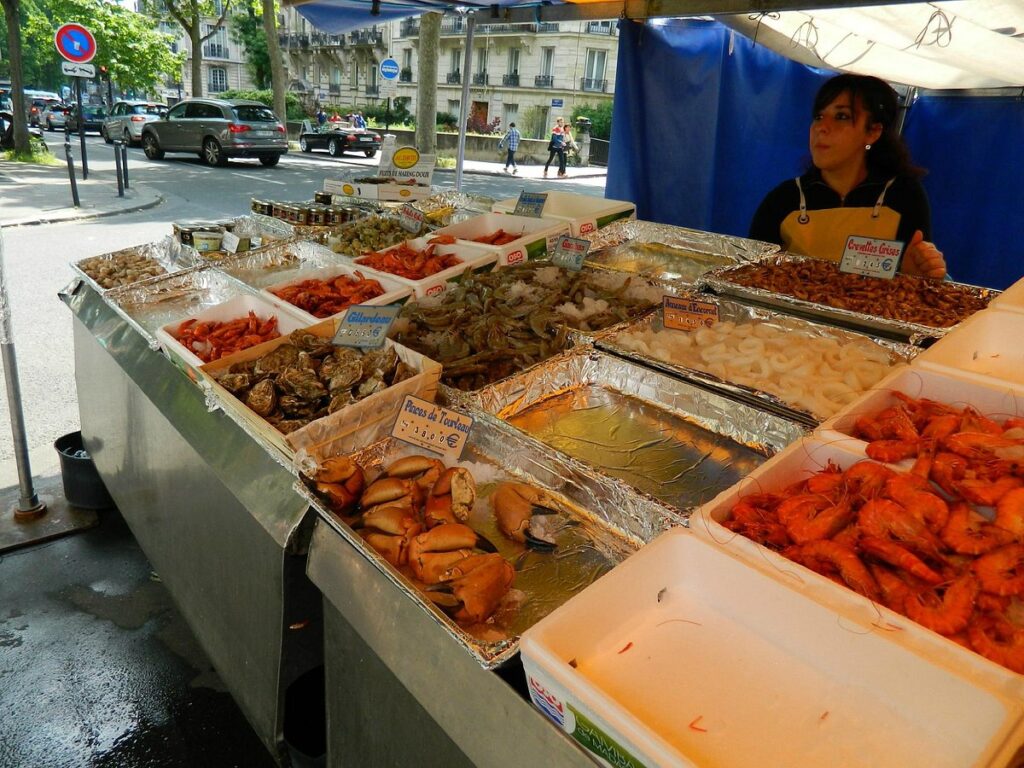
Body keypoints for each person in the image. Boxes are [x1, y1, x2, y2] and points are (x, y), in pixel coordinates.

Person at [749, 74, 946, 279]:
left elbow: (916, 280)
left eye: (841, 116)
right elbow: (753, 276)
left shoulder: (903, 194)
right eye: (818, 116)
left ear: (873, 132)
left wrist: (918, 272)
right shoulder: (783, 200)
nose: (821, 128)